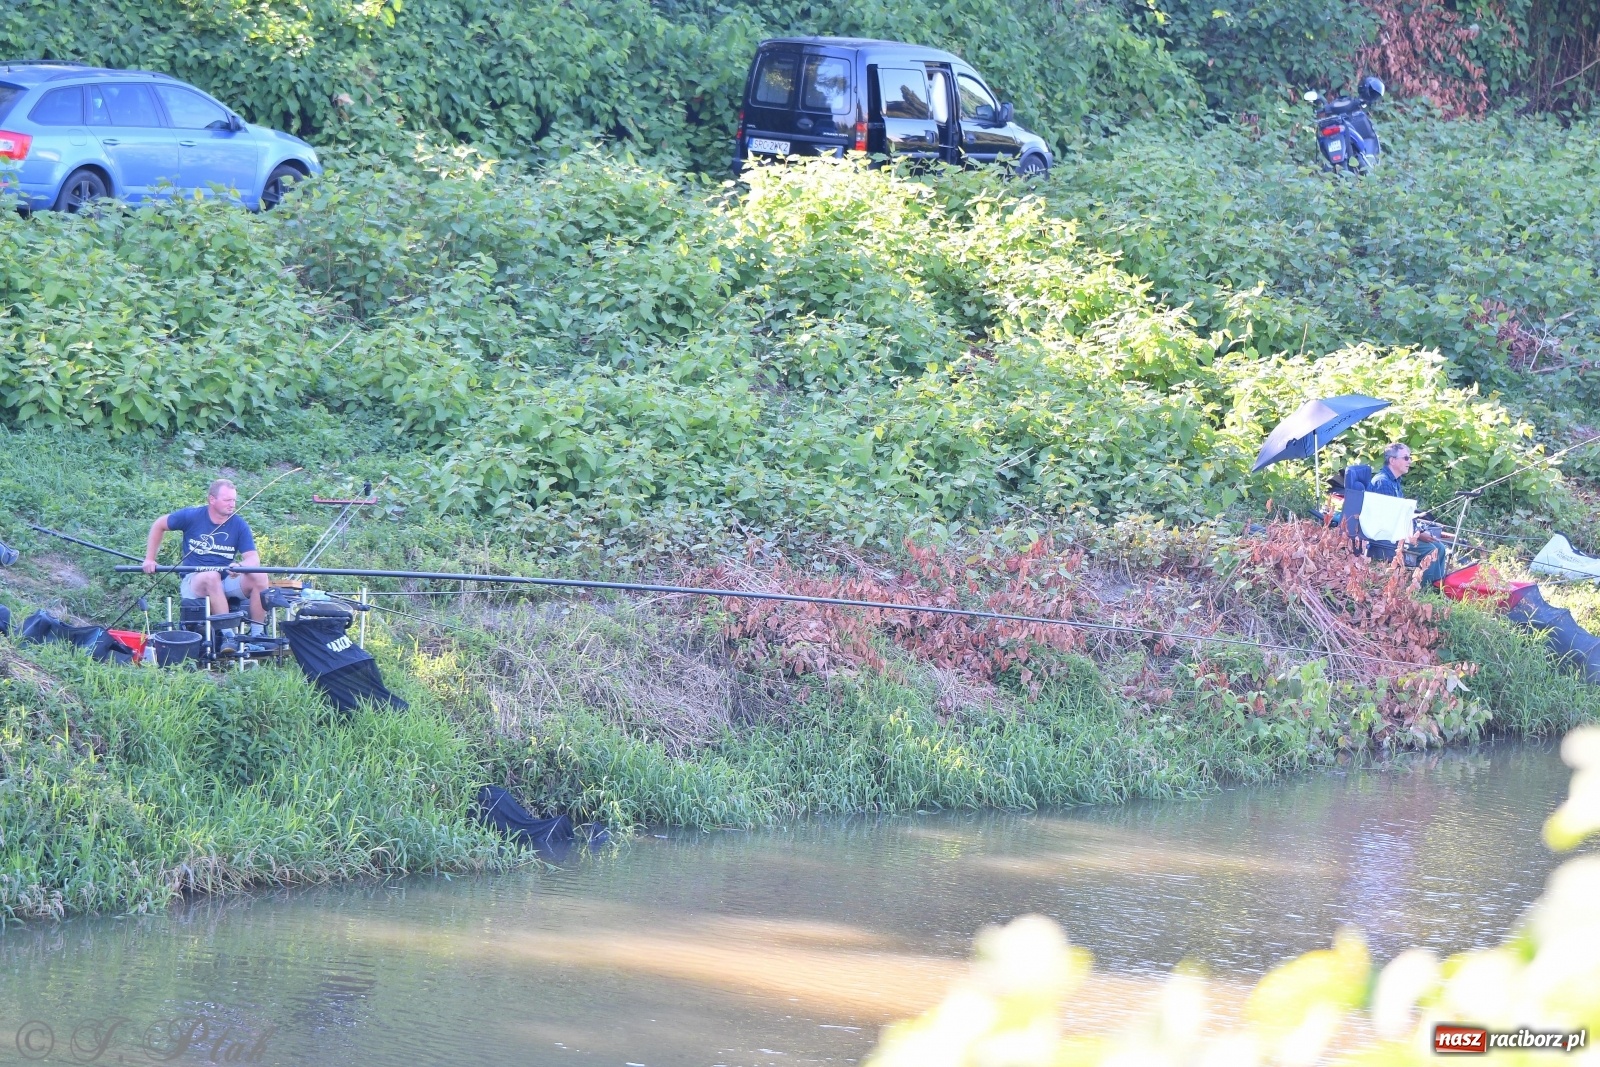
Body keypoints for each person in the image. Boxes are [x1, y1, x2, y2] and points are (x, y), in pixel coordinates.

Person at [142, 478, 269, 634]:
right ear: (212, 499)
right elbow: (159, 524)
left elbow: (253, 559)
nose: (232, 504)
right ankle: (229, 636)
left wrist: (241, 566)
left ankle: (258, 635)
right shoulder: (191, 516)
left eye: (234, 500)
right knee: (211, 576)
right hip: (195, 580)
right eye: (227, 500)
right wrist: (149, 559)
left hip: (225, 580)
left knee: (260, 575)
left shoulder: (239, 524)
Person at [1366, 442, 1448, 586]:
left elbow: (1400, 515)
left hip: (1397, 532)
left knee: (1440, 547)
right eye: (1405, 458)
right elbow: (1389, 521)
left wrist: (1418, 531)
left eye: (1409, 458)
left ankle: (1437, 588)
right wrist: (1416, 535)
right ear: (1392, 460)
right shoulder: (1383, 483)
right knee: (1430, 550)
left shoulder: (1394, 481)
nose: (1409, 461)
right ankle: (1423, 589)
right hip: (1387, 537)